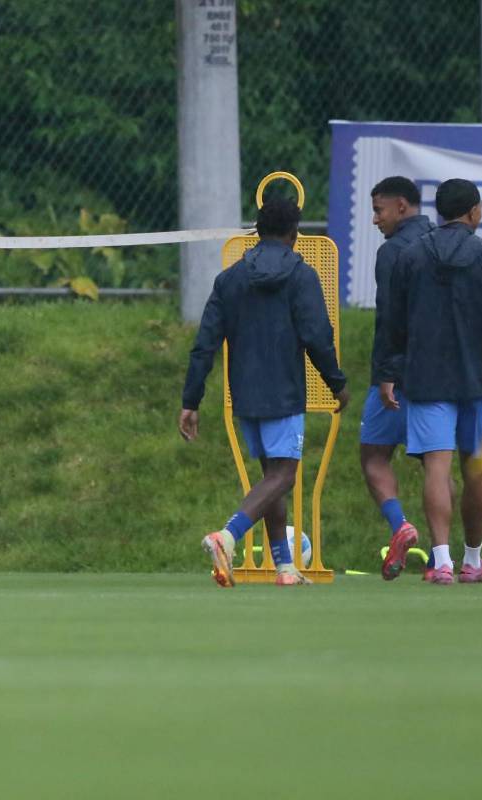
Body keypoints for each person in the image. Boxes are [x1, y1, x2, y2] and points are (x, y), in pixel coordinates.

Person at [179, 197, 350, 588]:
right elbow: (317, 336)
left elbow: (205, 343)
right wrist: (336, 383)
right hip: (285, 391)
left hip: (244, 395)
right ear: (295, 234)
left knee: (270, 477)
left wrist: (191, 400)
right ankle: (227, 536)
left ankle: (285, 567)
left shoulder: (229, 280)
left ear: (255, 230)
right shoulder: (302, 276)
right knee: (284, 475)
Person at [387, 178, 482, 584]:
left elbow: (394, 323)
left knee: (436, 466)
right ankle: (473, 559)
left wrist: (390, 371)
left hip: (425, 377)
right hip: (479, 380)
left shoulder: (410, 257)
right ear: (473, 212)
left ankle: (441, 561)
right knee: (478, 471)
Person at [362, 177, 434, 580]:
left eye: (379, 210)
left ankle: (400, 525)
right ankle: (444, 558)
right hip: (440, 373)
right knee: (436, 465)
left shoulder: (393, 251)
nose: (376, 220)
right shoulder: (440, 242)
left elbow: (391, 316)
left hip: (398, 374)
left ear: (402, 206)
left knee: (373, 456)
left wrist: (387, 372)